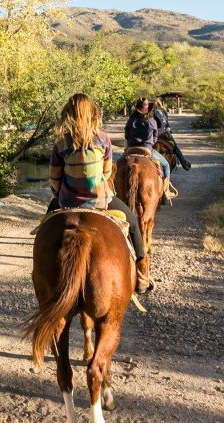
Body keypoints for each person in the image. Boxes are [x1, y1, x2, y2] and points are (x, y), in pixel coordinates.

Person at [47, 93, 151, 293]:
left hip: (67, 203)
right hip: (100, 201)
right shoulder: (103, 139)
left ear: (69, 114)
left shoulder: (61, 142)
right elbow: (106, 172)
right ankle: (141, 274)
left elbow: (55, 177)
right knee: (133, 223)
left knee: (45, 227)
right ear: (92, 113)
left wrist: (58, 195)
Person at [124, 97, 174, 204]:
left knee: (116, 166)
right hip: (147, 149)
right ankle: (166, 192)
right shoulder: (151, 121)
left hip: (131, 149)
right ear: (147, 109)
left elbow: (126, 135)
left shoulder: (130, 120)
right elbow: (155, 138)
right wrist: (149, 142)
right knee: (166, 166)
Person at [151, 97, 191, 171]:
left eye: (154, 103)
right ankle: (184, 162)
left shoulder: (157, 111)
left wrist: (158, 131)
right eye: (152, 103)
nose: (153, 104)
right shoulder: (161, 110)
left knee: (175, 147)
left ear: (157, 103)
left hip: (161, 133)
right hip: (165, 131)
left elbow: (163, 122)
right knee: (175, 147)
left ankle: (183, 162)